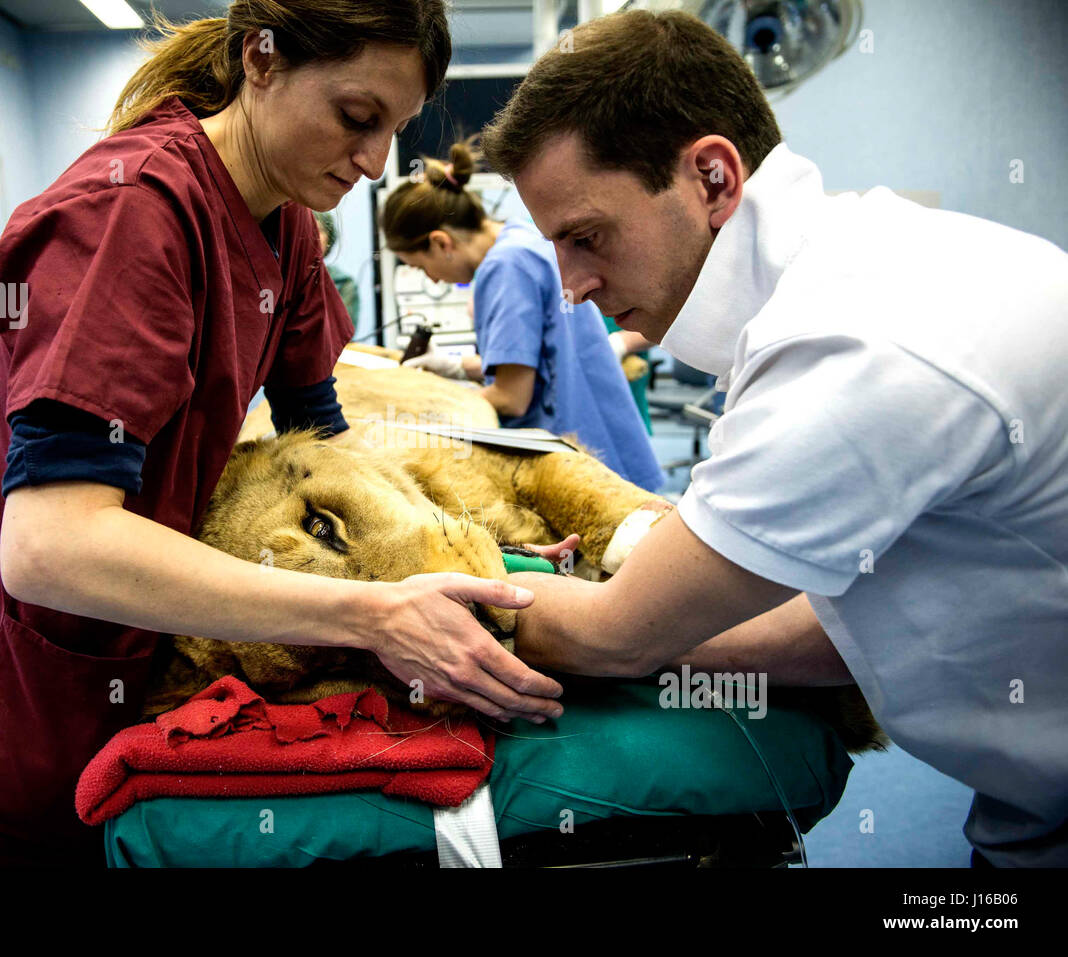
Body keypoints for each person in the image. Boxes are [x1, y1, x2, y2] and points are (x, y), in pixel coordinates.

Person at [0, 2, 566, 869]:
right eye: (356, 119)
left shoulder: (286, 222)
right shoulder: (131, 216)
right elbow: (49, 549)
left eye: (396, 131)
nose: (375, 165)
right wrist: (373, 612)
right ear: (261, 58)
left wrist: (477, 549)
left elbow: (323, 449)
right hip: (35, 714)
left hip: (160, 663)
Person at [481, 9, 1068, 866]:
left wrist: (476, 600)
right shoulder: (872, 263)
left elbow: (617, 635)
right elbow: (842, 627)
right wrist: (656, 594)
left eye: (587, 237)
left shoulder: (848, 342)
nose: (570, 289)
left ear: (713, 179)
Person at [382, 140, 666, 491]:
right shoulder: (522, 239)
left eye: (422, 266)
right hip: (608, 448)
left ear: (441, 243)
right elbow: (536, 362)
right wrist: (456, 367)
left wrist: (425, 412)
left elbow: (511, 399)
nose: (433, 279)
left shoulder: (506, 267)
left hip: (580, 466)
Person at [313, 210, 360, 322]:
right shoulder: (282, 280)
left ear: (329, 238)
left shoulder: (343, 282)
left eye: (319, 230)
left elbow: (343, 331)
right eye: (307, 229)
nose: (313, 236)